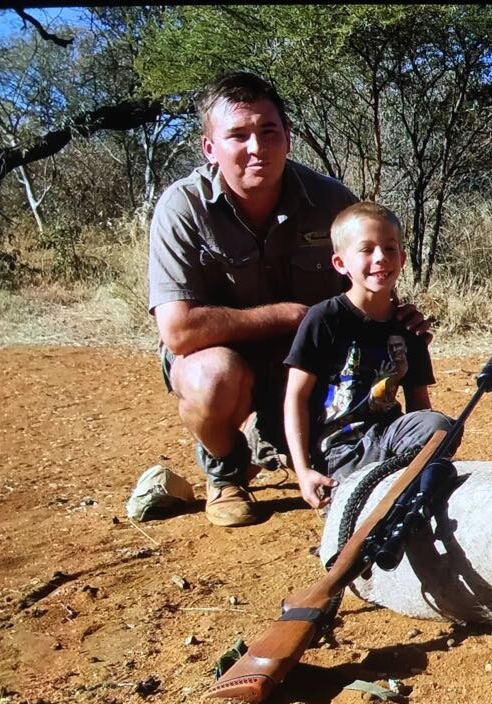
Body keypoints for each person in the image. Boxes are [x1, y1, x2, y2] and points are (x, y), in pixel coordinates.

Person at [147, 71, 430, 527]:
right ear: (209, 147)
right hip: (222, 358)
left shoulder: (331, 199)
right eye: (238, 135)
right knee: (213, 378)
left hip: (308, 358)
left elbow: (369, 285)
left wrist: (398, 317)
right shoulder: (181, 207)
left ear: (288, 138)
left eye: (268, 132)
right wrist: (288, 316)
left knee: (359, 385)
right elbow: (178, 332)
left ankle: (283, 443)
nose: (257, 147)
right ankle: (225, 472)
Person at [283, 202, 458, 511]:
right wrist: (303, 471)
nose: (381, 258)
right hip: (340, 450)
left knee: (441, 427)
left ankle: (401, 484)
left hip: (390, 439)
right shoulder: (324, 317)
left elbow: (419, 404)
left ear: (402, 258)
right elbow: (295, 398)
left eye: (390, 249)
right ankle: (359, 493)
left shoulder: (409, 325)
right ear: (340, 263)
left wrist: (435, 448)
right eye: (366, 250)